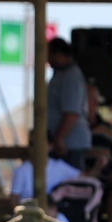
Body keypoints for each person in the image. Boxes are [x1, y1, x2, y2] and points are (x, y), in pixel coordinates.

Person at [47, 37, 92, 170]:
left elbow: (72, 112)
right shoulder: (60, 74)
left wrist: (60, 138)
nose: (47, 59)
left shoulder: (71, 76)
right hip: (63, 142)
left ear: (59, 54)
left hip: (69, 144)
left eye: (49, 54)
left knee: (70, 184)